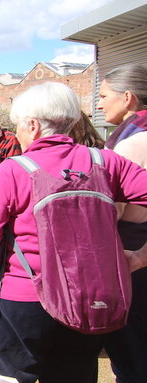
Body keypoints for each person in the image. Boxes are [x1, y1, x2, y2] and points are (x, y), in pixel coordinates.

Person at [0, 82, 147, 383]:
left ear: (33, 126)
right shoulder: (106, 161)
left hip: (25, 301)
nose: (17, 134)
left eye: (18, 126)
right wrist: (140, 257)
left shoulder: (15, 169)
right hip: (88, 301)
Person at [98, 63, 147, 383]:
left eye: (104, 96)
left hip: (133, 258)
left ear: (127, 97)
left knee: (132, 354)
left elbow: (107, 211)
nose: (99, 103)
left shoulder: (130, 146)